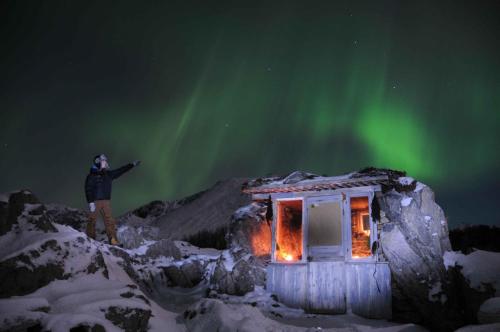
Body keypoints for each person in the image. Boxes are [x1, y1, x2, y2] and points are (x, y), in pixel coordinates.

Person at [84, 154, 141, 245]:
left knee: (109, 220)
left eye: (105, 161)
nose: (105, 163)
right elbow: (88, 189)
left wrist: (132, 165)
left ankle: (113, 240)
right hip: (95, 202)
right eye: (103, 161)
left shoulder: (108, 175)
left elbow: (120, 170)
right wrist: (90, 202)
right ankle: (90, 240)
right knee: (92, 220)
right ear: (98, 162)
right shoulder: (91, 176)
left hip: (106, 201)